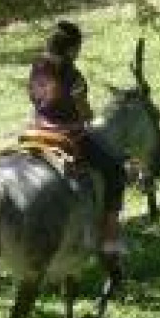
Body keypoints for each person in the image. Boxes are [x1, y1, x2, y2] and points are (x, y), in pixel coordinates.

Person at [27, 20, 127, 254]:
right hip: (68, 134)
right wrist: (89, 115)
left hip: (36, 130)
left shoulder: (37, 66)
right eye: (78, 48)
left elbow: (34, 99)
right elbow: (83, 111)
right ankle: (110, 238)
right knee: (115, 170)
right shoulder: (72, 75)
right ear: (71, 48)